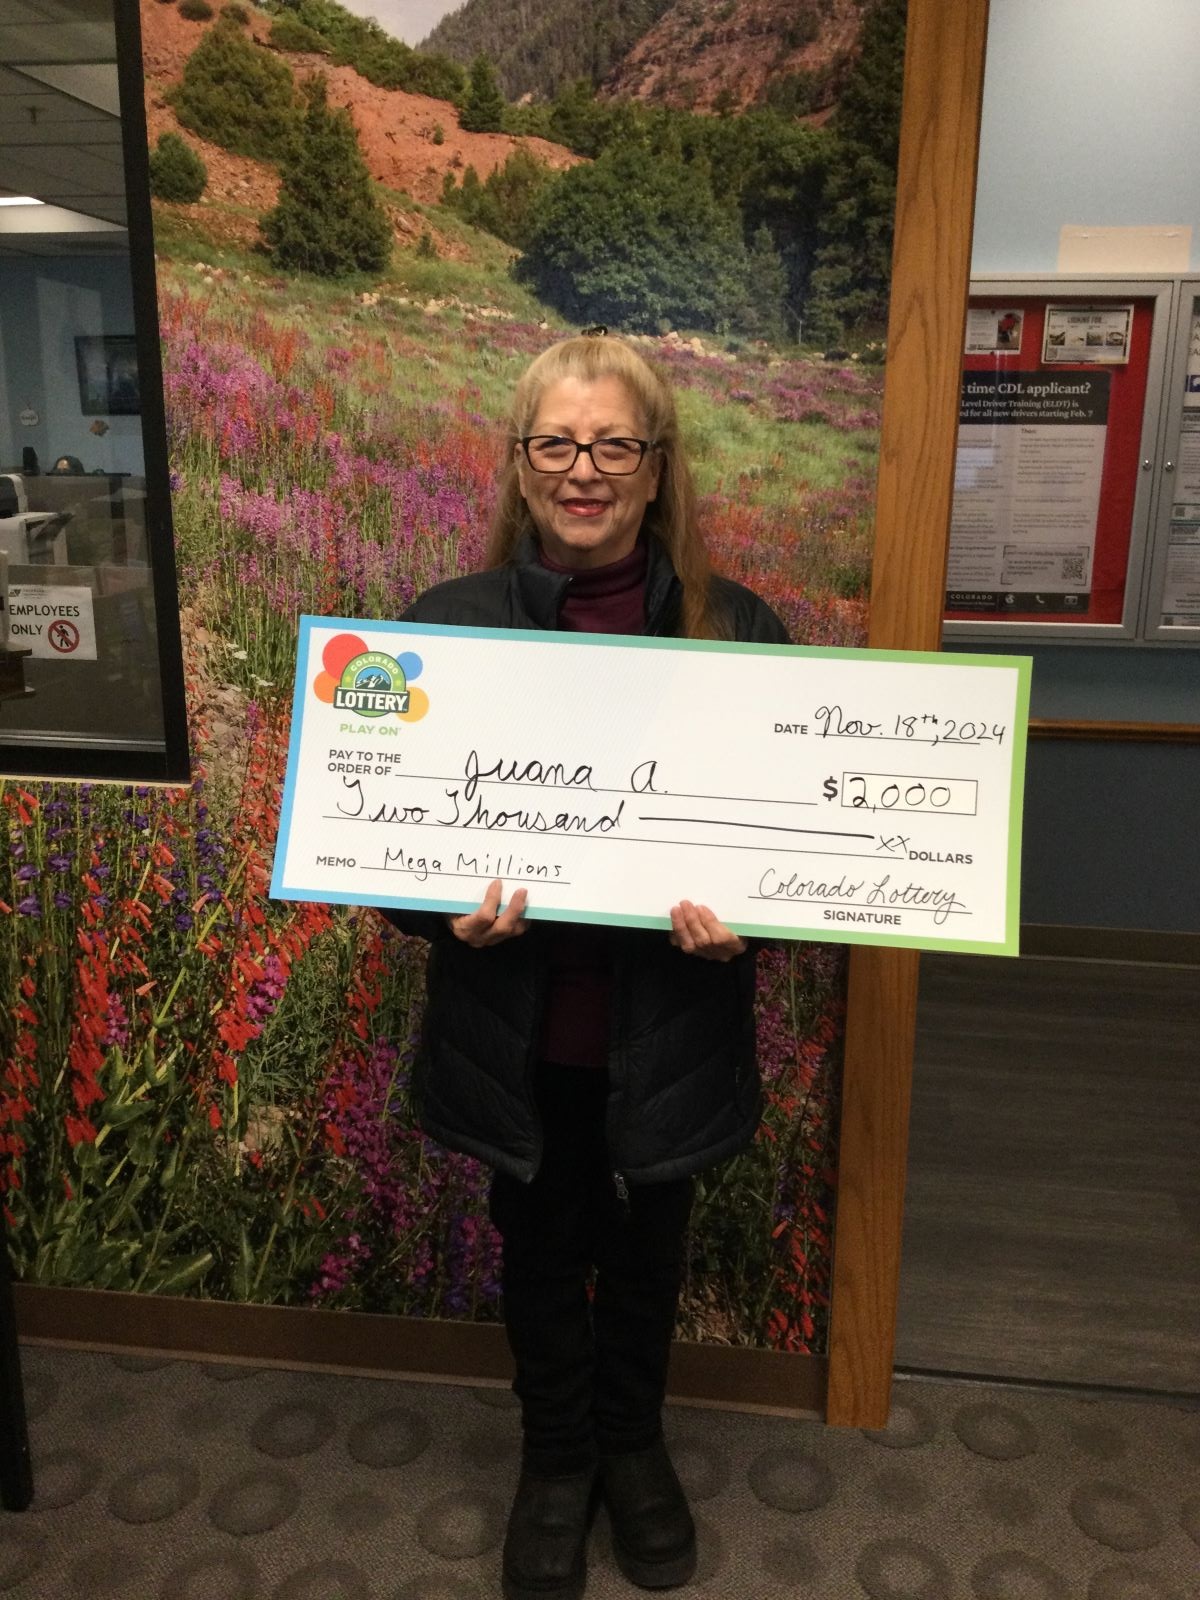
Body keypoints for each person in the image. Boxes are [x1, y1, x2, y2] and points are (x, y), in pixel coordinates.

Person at [385, 334, 788, 1600]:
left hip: (667, 1028)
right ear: (521, 462)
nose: (585, 471)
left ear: (658, 469)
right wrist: (440, 916)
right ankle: (557, 1458)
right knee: (542, 1247)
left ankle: (635, 1444)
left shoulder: (745, 633)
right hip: (520, 1032)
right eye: (557, 443)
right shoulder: (442, 630)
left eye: (616, 445)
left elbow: (786, 853)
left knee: (653, 1248)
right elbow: (390, 851)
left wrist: (751, 920)